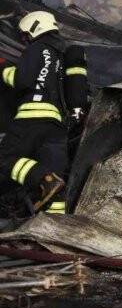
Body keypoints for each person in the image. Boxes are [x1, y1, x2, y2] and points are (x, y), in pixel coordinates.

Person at [0, 11, 85, 214]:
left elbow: (22, 81)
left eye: (25, 35)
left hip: (31, 118)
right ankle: (54, 230)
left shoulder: (38, 48)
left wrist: (3, 69)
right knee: (55, 191)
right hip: (57, 127)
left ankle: (43, 178)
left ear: (34, 27)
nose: (24, 39)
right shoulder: (64, 55)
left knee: (4, 159)